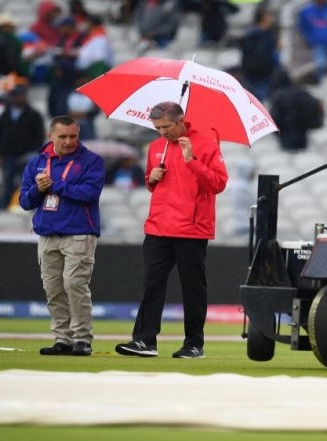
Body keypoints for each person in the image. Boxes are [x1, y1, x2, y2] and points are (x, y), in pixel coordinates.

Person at [115, 101, 228, 359]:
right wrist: (150, 179)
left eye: (166, 126)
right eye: (157, 127)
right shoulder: (156, 147)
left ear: (181, 121)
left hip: (191, 228)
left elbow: (218, 184)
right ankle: (144, 341)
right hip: (158, 226)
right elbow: (155, 184)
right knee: (151, 285)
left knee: (193, 289)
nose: (162, 132)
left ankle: (194, 344)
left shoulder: (206, 144)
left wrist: (192, 162)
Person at [19, 115, 105, 356]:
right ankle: (62, 338)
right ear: (51, 137)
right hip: (47, 233)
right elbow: (24, 201)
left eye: (73, 136)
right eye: (63, 137)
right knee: (53, 288)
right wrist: (38, 189)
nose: (69, 141)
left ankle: (82, 339)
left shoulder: (91, 161)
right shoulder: (36, 162)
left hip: (79, 232)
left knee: (74, 284)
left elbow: (90, 192)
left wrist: (54, 185)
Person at [0, 79, 46, 208]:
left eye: (20, 95)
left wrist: (36, 154)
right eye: (16, 95)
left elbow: (39, 136)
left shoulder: (34, 115)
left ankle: (25, 207)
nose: (18, 98)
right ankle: (7, 207)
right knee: (8, 183)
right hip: (9, 156)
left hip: (27, 155)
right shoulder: (4, 115)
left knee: (26, 183)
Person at [268, 69, 324, 152]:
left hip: (285, 136)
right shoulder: (302, 93)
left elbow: (274, 119)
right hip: (301, 135)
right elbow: (316, 107)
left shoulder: (277, 97)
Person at [239, 6, 279, 102]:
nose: (270, 19)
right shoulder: (259, 35)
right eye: (268, 16)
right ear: (263, 18)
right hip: (259, 74)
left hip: (258, 73)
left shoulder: (264, 34)